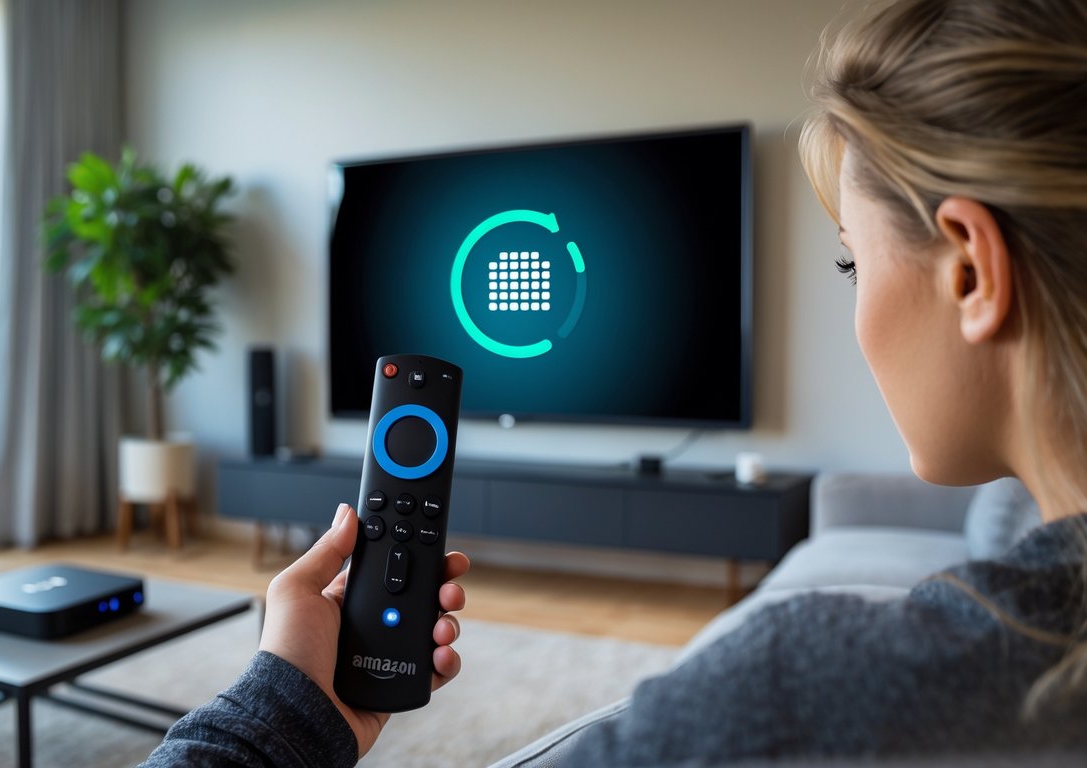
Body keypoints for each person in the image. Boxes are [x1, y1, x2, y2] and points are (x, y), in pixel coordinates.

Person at [141, 0, 1087, 764]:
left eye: (851, 263)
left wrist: (281, 718)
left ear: (969, 269)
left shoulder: (791, 696)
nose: (853, 309)